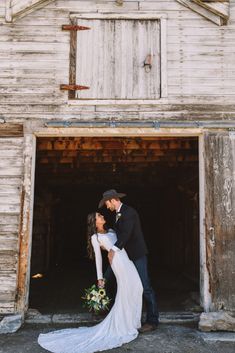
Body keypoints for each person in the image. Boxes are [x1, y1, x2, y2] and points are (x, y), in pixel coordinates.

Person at [38, 212, 143, 353]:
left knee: (137, 287)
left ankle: (131, 321)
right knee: (126, 290)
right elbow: (99, 258)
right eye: (99, 216)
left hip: (127, 260)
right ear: (95, 222)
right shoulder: (96, 237)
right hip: (118, 264)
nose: (102, 216)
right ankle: (126, 325)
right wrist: (100, 278)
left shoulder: (111, 231)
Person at [99, 189, 159, 333]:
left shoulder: (129, 212)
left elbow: (126, 234)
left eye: (107, 203)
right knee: (125, 283)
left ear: (113, 200)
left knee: (146, 286)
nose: (107, 207)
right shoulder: (118, 214)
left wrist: (113, 249)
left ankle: (152, 321)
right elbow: (118, 231)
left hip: (137, 255)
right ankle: (125, 316)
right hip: (126, 256)